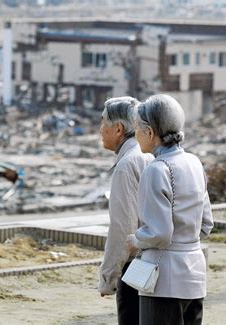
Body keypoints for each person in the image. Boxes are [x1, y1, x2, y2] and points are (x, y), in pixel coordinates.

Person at [127, 94, 213, 325]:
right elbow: (206, 225)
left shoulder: (156, 170)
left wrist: (135, 239)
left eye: (137, 128)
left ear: (150, 132)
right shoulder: (194, 163)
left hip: (163, 281)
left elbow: (159, 234)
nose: (135, 135)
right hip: (194, 275)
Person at [98, 96, 154, 324]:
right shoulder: (150, 154)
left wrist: (109, 278)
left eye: (103, 122)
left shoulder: (126, 165)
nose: (100, 129)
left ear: (118, 129)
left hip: (135, 269)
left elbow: (122, 229)